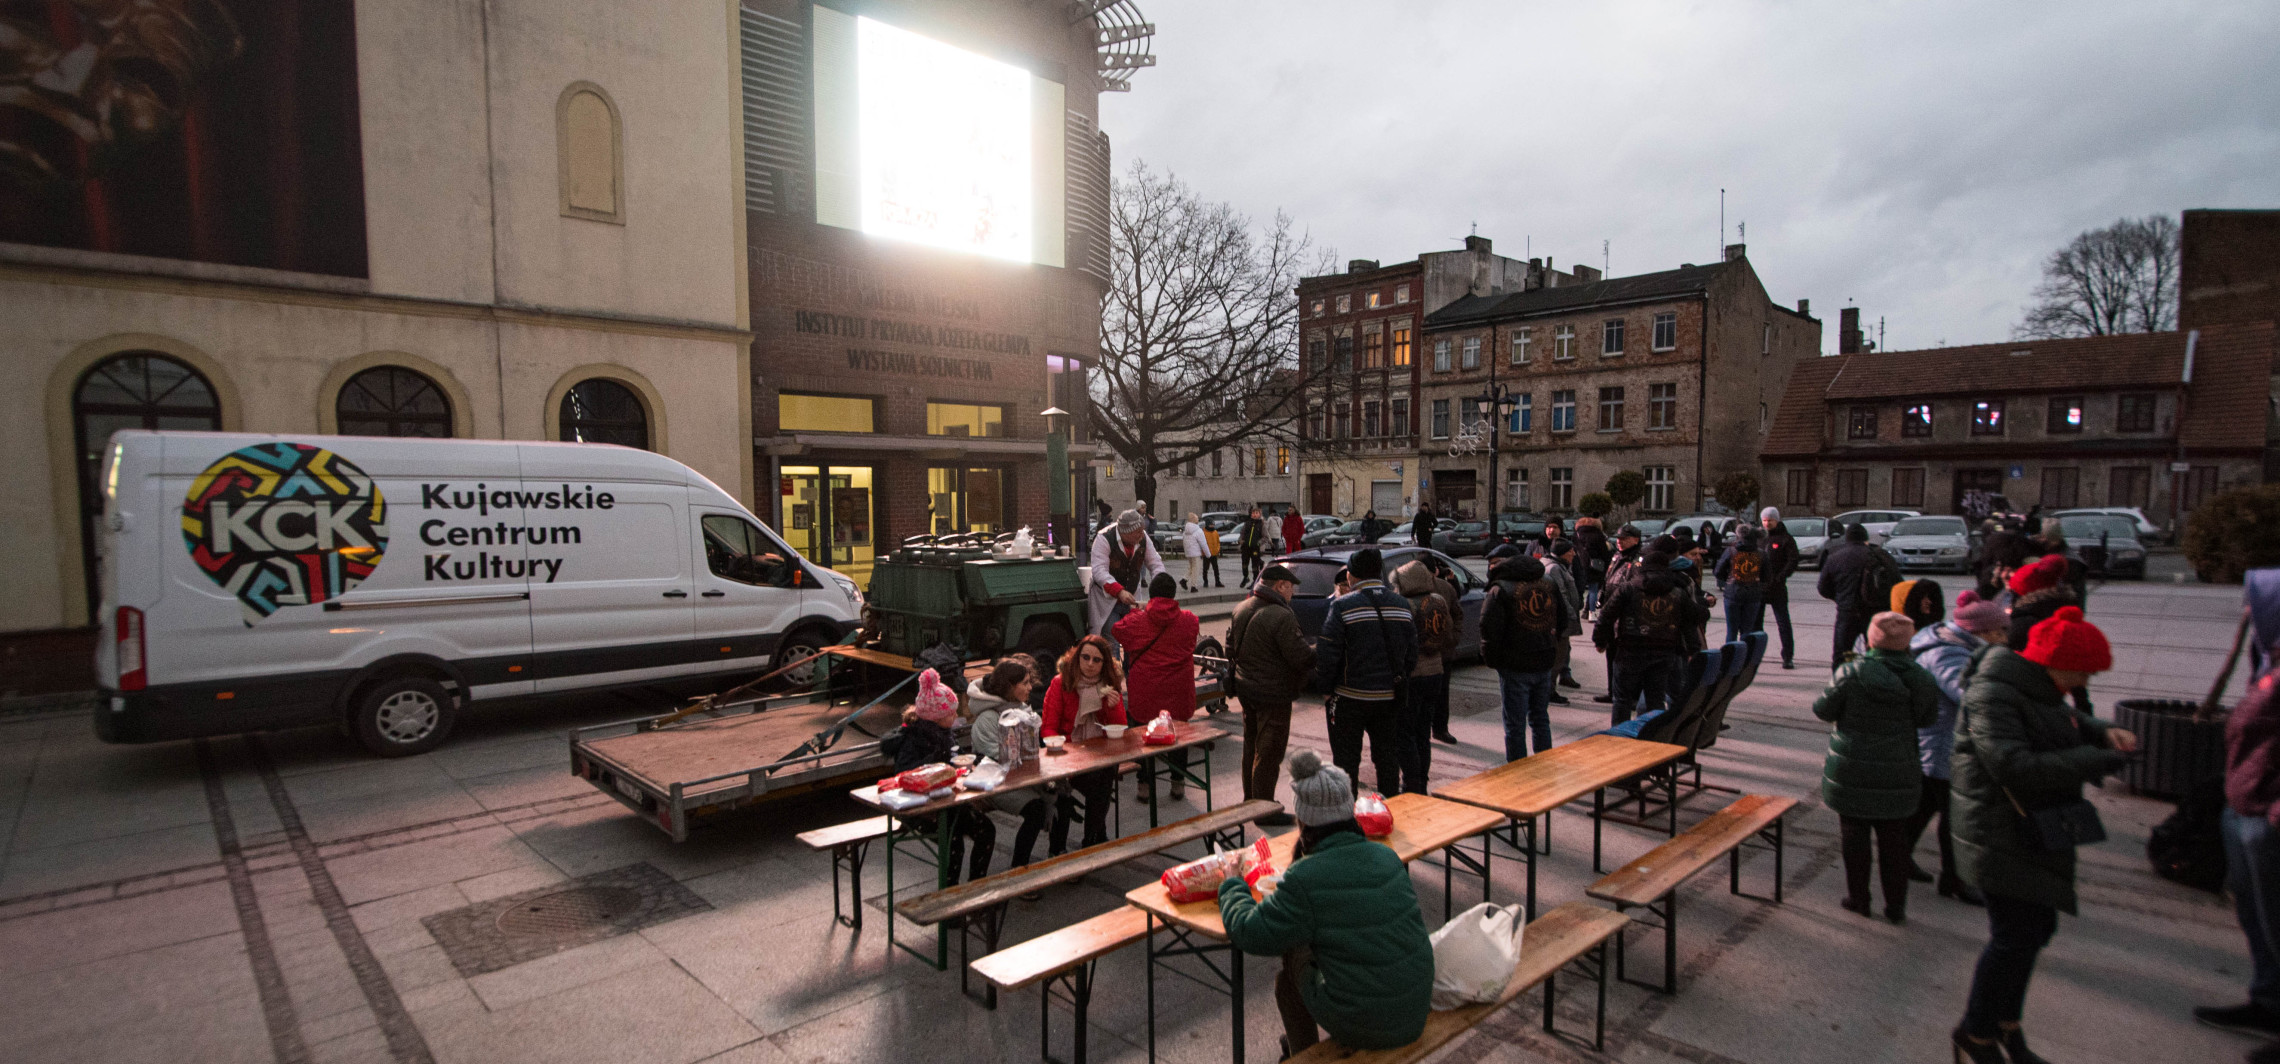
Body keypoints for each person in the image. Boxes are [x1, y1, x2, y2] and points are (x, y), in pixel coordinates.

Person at [1948, 606, 2136, 1064]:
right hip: (1999, 831)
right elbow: (2011, 764)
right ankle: (1975, 1034)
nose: (2085, 683)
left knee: (2033, 930)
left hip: (2028, 829)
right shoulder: (1994, 694)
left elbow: (2059, 720)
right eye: (2084, 673)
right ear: (2056, 664)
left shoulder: (2035, 688)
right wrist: (2095, 761)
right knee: (2014, 936)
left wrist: (2101, 730)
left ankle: (2005, 1026)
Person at [1217, 750, 1434, 1056]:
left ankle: (1303, 1053)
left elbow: (1249, 932)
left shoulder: (1305, 878)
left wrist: (1231, 883)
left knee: (1290, 967)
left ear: (1304, 822)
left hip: (1367, 1023)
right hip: (1415, 1006)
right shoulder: (1386, 856)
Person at [1816, 612, 1939, 923]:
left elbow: (1823, 708)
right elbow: (1927, 719)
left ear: (1871, 639)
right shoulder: (1920, 677)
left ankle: (1859, 898)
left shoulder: (1850, 672)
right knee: (1894, 838)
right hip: (1899, 766)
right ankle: (1895, 906)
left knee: (1854, 834)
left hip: (1851, 767)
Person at [2198, 636, 2280, 1053]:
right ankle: (2269, 1001)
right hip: (2247, 799)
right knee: (2257, 914)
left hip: (2268, 808)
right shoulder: (2270, 661)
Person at [1907, 594, 2009, 906]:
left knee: (1925, 806)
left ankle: (1898, 854)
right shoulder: (1947, 654)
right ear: (1984, 632)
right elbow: (1968, 695)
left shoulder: (1958, 645)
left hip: (1941, 743)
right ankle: (1956, 880)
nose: (2005, 638)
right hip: (1942, 745)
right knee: (1957, 818)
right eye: (2001, 632)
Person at [880, 669, 997, 883]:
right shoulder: (912, 737)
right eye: (951, 713)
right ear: (936, 716)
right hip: (919, 810)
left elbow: (954, 760)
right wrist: (937, 761)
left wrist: (972, 761)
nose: (956, 716)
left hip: (947, 803)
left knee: (986, 830)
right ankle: (949, 895)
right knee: (954, 844)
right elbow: (903, 775)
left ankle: (976, 886)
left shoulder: (943, 733)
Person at [1315, 548, 1416, 795]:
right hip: (1389, 699)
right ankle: (1389, 808)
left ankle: (1346, 818)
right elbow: (1412, 653)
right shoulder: (1402, 605)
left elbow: (1328, 653)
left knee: (1346, 762)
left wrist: (1326, 690)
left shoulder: (1342, 606)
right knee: (1387, 759)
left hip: (1350, 699)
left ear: (1352, 576)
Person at [1228, 564, 1313, 827]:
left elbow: (1231, 648)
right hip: (1273, 693)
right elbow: (1300, 656)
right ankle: (1265, 809)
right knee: (1269, 751)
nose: (1292, 593)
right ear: (1280, 586)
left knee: (1251, 746)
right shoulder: (1281, 615)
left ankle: (1250, 801)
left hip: (1247, 688)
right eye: (1291, 588)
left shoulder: (1241, 608)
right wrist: (1322, 648)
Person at [966, 657, 1059, 877]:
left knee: (1062, 797)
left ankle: (1059, 854)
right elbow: (994, 758)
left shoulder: (1022, 709)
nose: (1030, 688)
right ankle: (1019, 870)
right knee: (1036, 810)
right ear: (1010, 686)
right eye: (1025, 683)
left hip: (1022, 776)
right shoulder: (987, 718)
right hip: (995, 780)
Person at [1594, 546, 1707, 725]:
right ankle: (1653, 737)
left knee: (1621, 700)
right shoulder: (1677, 591)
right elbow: (1689, 622)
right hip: (1664, 651)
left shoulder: (1629, 588)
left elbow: (1606, 616)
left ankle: (1616, 739)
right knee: (1655, 700)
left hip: (1629, 648)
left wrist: (1600, 640)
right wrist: (1693, 649)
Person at [1114, 573, 1200, 802]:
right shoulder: (1189, 619)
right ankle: (1178, 784)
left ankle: (1145, 786)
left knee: (1144, 738)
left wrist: (1135, 611)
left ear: (1151, 594)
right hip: (1178, 692)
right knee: (1178, 735)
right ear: (1173, 594)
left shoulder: (1137, 621)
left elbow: (1117, 630)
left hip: (1146, 693)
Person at [1040, 636, 1128, 849]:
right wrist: (1062, 751)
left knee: (1104, 776)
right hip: (1067, 756)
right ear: (1077, 657)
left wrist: (1113, 706)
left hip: (1097, 754)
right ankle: (1067, 846)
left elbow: (1120, 728)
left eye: (1096, 660)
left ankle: (1091, 841)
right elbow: (1048, 727)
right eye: (1085, 657)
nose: (1090, 664)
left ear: (1104, 664)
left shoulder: (1108, 684)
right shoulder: (1061, 683)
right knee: (1082, 790)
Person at [1482, 555, 1567, 759]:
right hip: (1544, 658)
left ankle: (1518, 770)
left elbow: (1488, 628)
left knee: (1515, 725)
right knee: (1540, 718)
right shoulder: (1547, 582)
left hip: (1515, 662)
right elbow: (1563, 616)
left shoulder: (1500, 589)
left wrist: (1493, 660)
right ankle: (1544, 762)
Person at [1392, 560, 1454, 794]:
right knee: (1423, 733)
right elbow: (1447, 634)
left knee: (1405, 733)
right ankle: (1422, 782)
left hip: (1413, 674)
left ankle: (1412, 784)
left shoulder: (1405, 604)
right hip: (1435, 671)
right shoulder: (1438, 600)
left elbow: (1401, 642)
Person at [1819, 522, 1897, 669]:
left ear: (1847, 539)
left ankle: (1842, 684)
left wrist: (1840, 598)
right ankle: (1875, 683)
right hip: (1876, 612)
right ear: (1865, 538)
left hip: (1847, 612)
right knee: (1878, 653)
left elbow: (1822, 588)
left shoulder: (1835, 557)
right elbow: (1896, 582)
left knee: (1842, 654)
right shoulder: (1880, 555)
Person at [1592, 524, 1647, 705]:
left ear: (1635, 540)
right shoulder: (1617, 556)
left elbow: (1635, 587)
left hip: (1626, 614)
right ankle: (1612, 692)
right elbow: (1608, 579)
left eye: (1624, 539)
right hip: (1611, 611)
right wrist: (1601, 597)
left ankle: (1629, 696)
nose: (1619, 542)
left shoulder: (1639, 559)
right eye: (1618, 538)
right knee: (1611, 655)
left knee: (1627, 660)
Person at [1089, 509, 1166, 637]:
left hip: (1132, 599)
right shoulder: (1104, 538)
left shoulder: (1143, 538)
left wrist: (1160, 583)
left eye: (1142, 531)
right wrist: (1119, 591)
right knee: (1111, 638)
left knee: (1133, 639)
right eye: (1138, 532)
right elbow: (1099, 570)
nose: (1142, 535)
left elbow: (1155, 563)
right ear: (1126, 532)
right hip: (1107, 600)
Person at [1422, 555, 1466, 742]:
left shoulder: (1445, 588)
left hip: (1439, 651)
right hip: (1430, 651)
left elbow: (1457, 614)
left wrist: (1454, 637)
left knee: (1438, 693)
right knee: (1433, 694)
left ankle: (1438, 729)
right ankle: (1436, 729)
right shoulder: (1408, 589)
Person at [1760, 507, 1800, 669]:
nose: (1767, 523)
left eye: (1770, 520)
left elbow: (1793, 560)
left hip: (1777, 587)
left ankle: (1788, 656)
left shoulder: (1786, 539)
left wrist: (1780, 577)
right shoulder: (1760, 538)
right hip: (1760, 587)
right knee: (1755, 623)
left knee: (1783, 623)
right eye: (1765, 520)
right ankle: (1753, 655)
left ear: (1777, 520)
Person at [1714, 525, 1768, 646]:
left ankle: (1730, 658)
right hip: (1753, 595)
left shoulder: (1731, 551)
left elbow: (1718, 571)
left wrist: (1729, 579)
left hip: (1733, 593)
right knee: (1747, 630)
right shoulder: (1761, 554)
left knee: (1731, 631)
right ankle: (1744, 659)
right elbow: (1767, 576)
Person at [1544, 539, 1584, 700]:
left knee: (1561, 654)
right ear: (1562, 553)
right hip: (1560, 622)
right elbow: (1561, 595)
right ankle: (1549, 691)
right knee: (1557, 657)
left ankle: (1549, 689)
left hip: (1562, 620)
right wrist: (1571, 616)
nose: (1573, 553)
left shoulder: (1559, 566)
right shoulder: (1554, 568)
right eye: (1570, 551)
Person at [1574, 516, 1612, 618]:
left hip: (1579, 564)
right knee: (1593, 589)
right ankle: (1591, 613)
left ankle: (1576, 611)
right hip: (1594, 565)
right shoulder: (1598, 535)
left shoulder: (1577, 534)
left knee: (1578, 588)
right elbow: (1604, 552)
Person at [1181, 513, 1209, 593]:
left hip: (1189, 552)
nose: (1198, 520)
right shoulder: (1198, 531)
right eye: (1197, 518)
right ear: (1193, 520)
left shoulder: (1185, 531)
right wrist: (1208, 554)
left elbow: (1184, 541)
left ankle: (1184, 579)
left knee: (1191, 567)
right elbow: (1203, 543)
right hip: (1196, 552)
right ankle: (1193, 586)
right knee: (1196, 569)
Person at [1241, 506, 1268, 584]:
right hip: (1246, 547)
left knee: (1254, 565)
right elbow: (1242, 533)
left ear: (1260, 514)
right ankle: (1245, 577)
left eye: (1256, 513)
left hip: (1255, 548)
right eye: (1253, 513)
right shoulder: (1247, 523)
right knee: (1244, 564)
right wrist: (1241, 540)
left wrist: (1258, 543)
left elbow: (1265, 537)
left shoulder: (1261, 524)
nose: (1254, 514)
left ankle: (1255, 580)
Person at [1202, 517, 1225, 588]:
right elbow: (1202, 543)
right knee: (1205, 569)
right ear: (1207, 525)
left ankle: (1217, 581)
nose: (1212, 526)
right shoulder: (1203, 533)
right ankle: (1205, 582)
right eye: (1211, 524)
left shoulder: (1215, 532)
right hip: (1206, 554)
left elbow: (1218, 542)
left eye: (1213, 524)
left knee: (1216, 569)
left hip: (1214, 553)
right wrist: (1203, 552)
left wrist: (1217, 549)